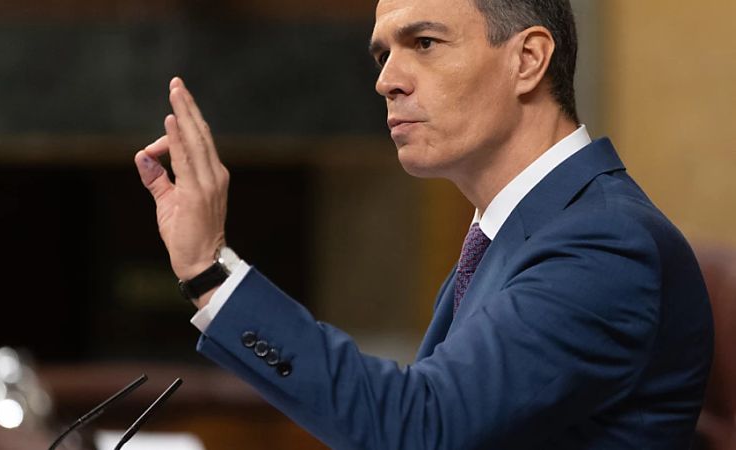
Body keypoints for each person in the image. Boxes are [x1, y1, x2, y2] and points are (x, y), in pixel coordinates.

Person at [133, 0, 714, 448]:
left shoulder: (605, 244)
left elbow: (421, 428)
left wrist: (211, 270)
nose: (388, 79)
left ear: (529, 59)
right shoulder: (509, 235)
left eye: (425, 42)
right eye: (382, 54)